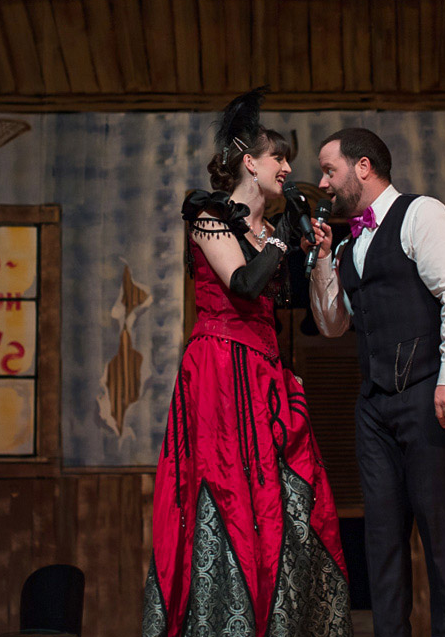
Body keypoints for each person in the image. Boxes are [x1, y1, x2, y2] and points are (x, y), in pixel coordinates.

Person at [142, 89, 352, 637]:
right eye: (278, 157)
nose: (287, 168)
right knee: (227, 491)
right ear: (249, 162)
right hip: (218, 367)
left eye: (290, 161)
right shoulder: (209, 212)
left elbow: (308, 313)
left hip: (264, 371)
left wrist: (318, 252)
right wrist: (284, 239)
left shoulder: (268, 231)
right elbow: (241, 283)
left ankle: (280, 622)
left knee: (284, 498)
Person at [306, 128, 445, 637]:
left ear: (363, 167)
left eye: (329, 169)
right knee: (381, 537)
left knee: (439, 529)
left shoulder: (423, 215)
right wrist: (321, 259)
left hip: (430, 391)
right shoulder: (352, 242)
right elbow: (333, 324)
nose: (323, 182)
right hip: (375, 403)